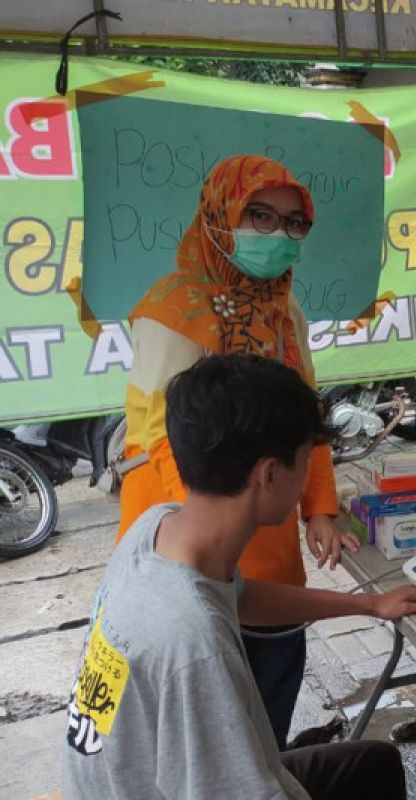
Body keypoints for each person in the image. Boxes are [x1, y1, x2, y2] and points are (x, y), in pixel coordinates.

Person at [63, 354, 416, 799]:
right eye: (305, 461)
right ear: (270, 473)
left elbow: (241, 597)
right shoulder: (193, 646)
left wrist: (370, 604)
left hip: (130, 776)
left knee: (371, 762)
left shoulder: (156, 530)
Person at [115, 155, 360, 747]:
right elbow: (160, 438)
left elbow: (306, 413)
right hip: (190, 537)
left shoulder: (285, 310)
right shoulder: (173, 309)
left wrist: (318, 508)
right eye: (260, 215)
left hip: (266, 527)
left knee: (271, 682)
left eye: (293, 222)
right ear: (221, 214)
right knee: (203, 717)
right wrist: (217, 535)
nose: (277, 235)